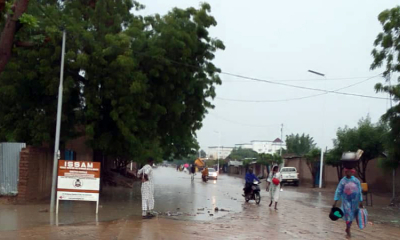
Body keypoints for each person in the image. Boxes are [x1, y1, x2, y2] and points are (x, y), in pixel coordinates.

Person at [333, 168, 363, 237]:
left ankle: (348, 227)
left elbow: (359, 191)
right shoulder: (343, 181)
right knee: (348, 215)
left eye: (350, 172)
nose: (348, 173)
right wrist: (335, 202)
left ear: (352, 172)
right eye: (346, 172)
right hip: (346, 201)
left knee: (352, 215)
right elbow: (338, 191)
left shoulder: (356, 181)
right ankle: (348, 229)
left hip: (354, 201)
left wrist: (361, 201)